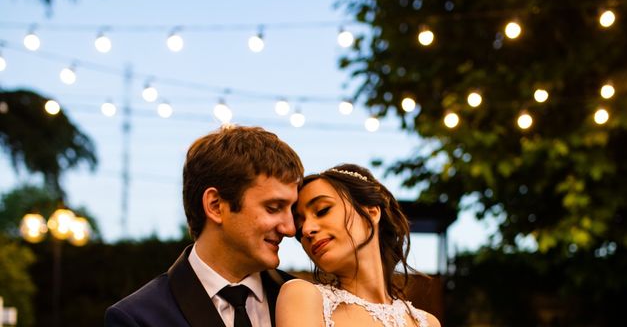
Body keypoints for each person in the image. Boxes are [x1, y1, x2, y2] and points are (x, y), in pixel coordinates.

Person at [105, 125, 304, 327]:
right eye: (273, 208)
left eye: (292, 210)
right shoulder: (137, 318)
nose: (290, 229)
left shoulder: (307, 301)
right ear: (215, 205)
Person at [276, 164, 441, 327]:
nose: (306, 230)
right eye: (299, 226)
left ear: (372, 213)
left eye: (322, 210)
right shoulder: (303, 298)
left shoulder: (426, 322)